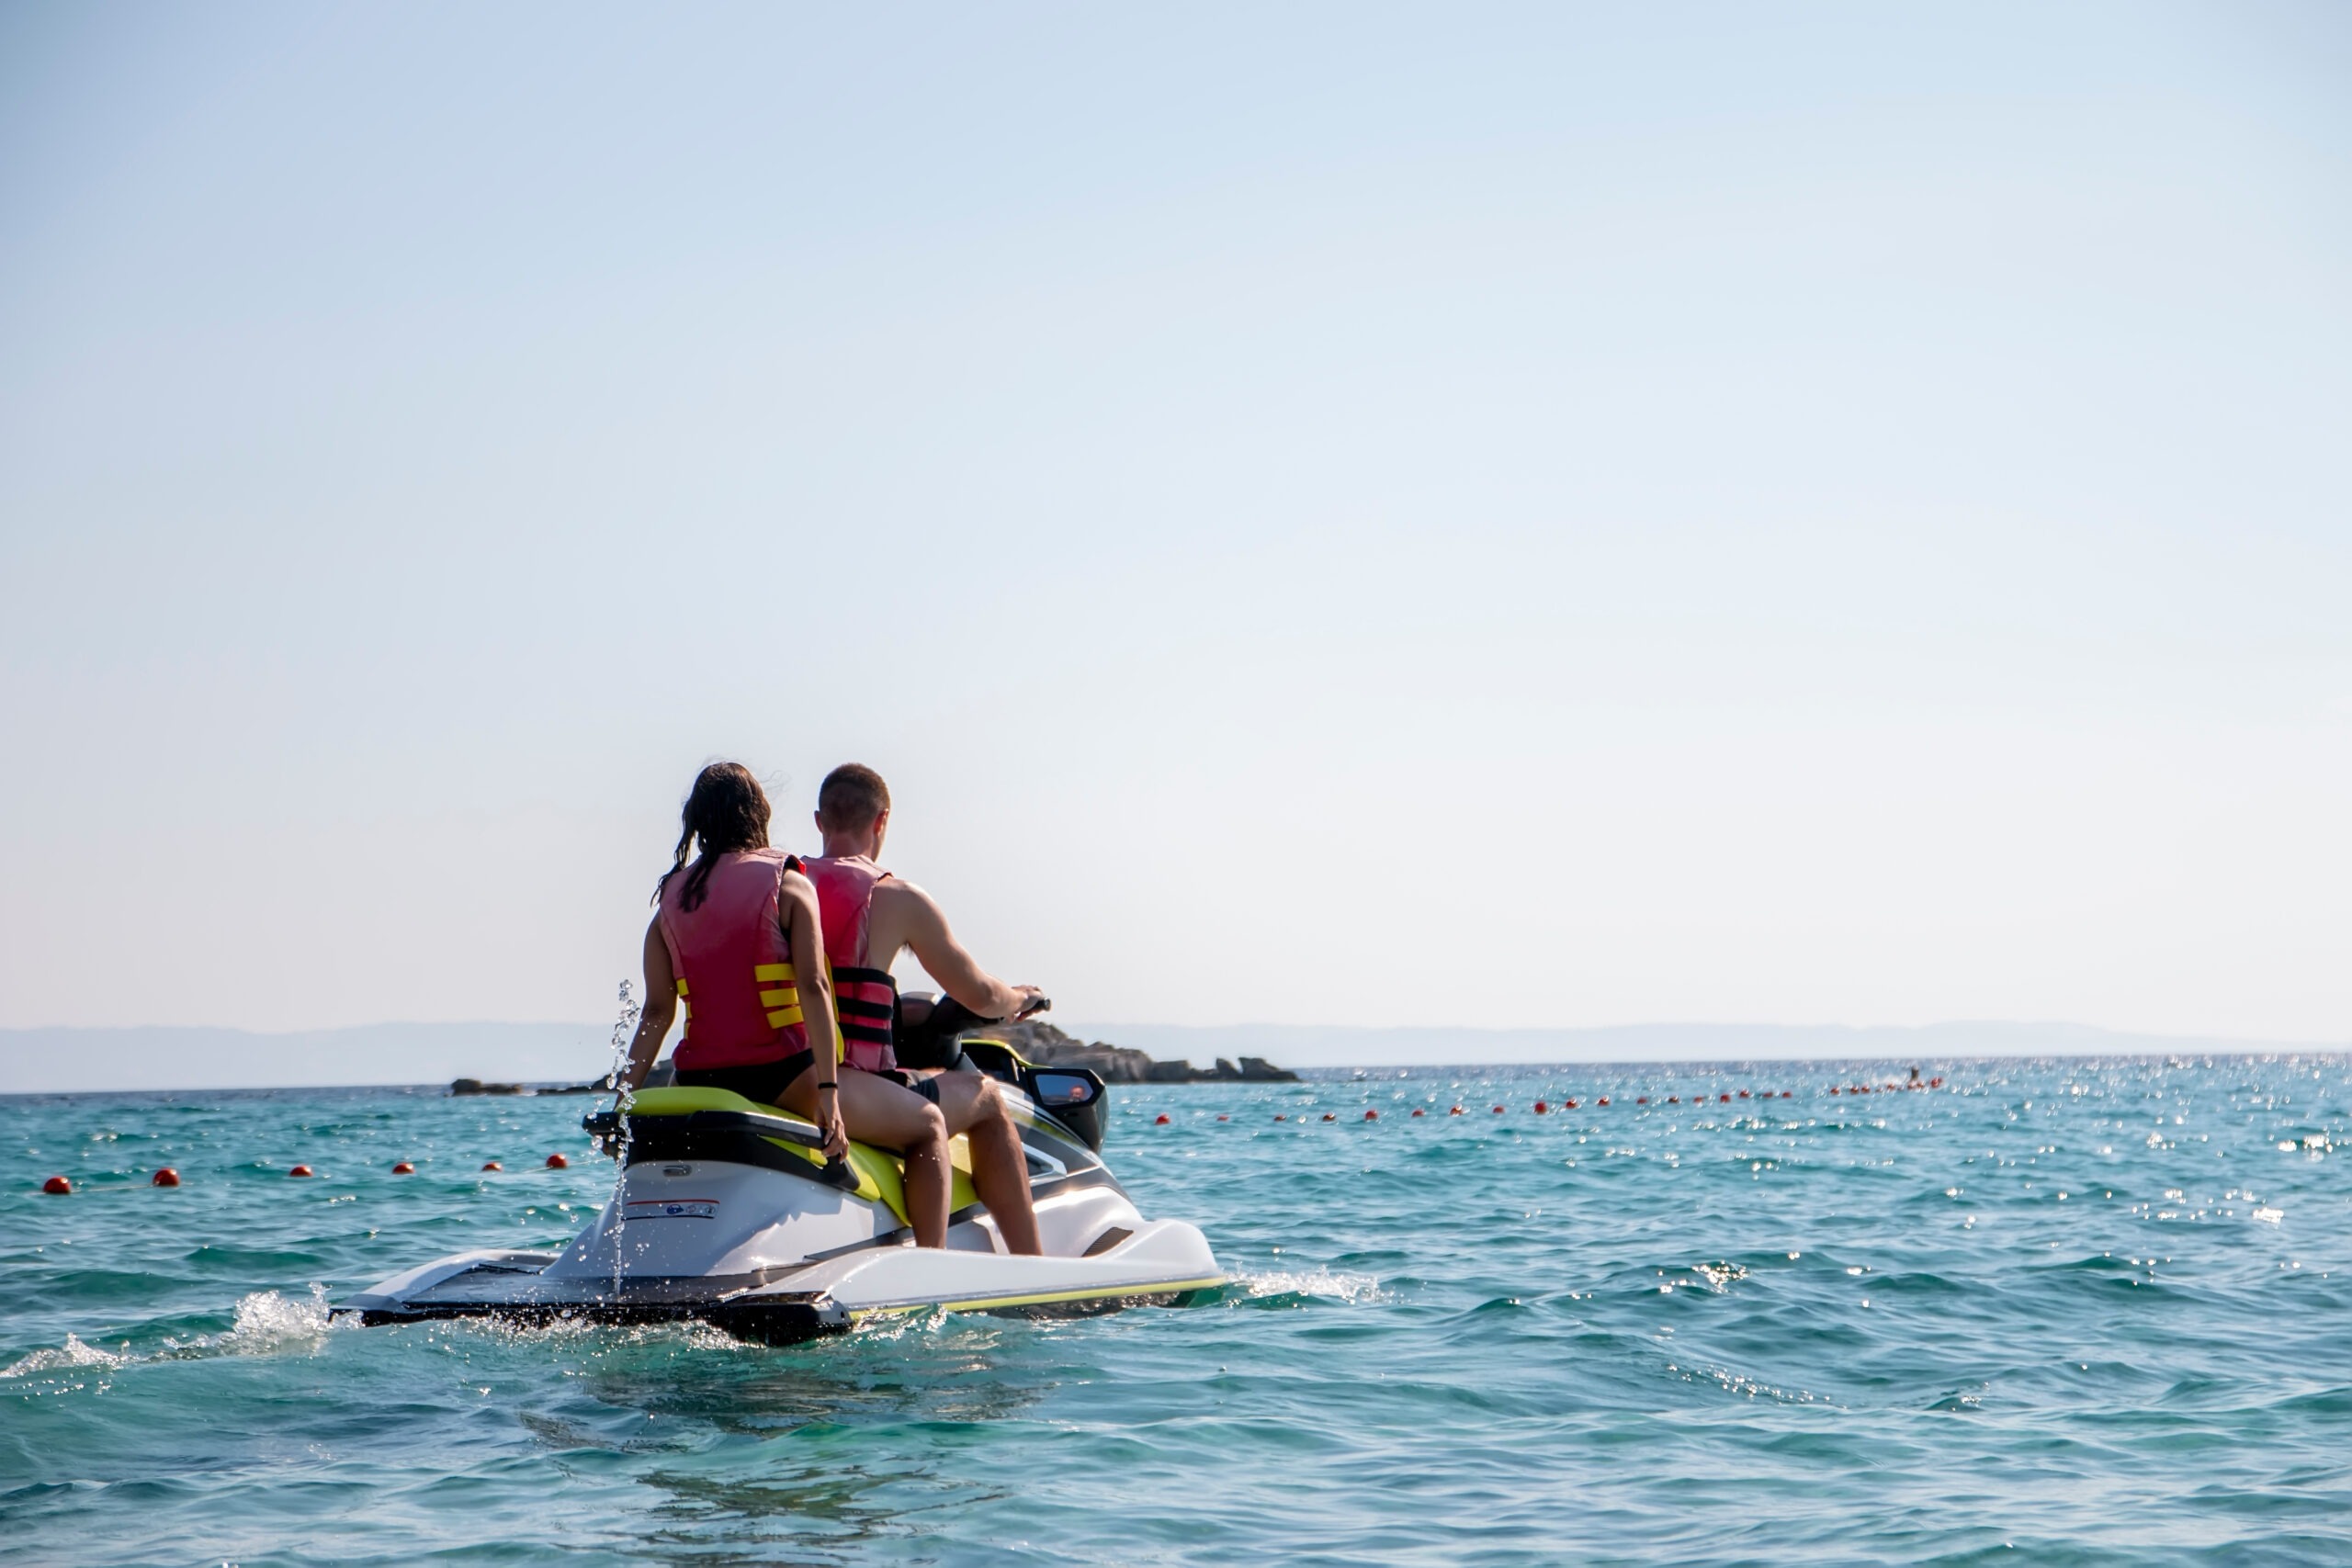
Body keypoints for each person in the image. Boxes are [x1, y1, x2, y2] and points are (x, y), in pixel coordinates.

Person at [616, 762, 983, 1252]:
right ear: (758, 813)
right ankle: (931, 1269)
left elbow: (656, 1013)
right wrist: (828, 1095)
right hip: (784, 1076)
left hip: (699, 1080)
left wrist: (622, 1101)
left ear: (697, 821)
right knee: (929, 1125)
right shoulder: (787, 883)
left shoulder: (671, 903)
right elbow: (813, 987)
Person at [802, 762, 1044, 1256]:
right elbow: (978, 993)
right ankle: (1031, 1266)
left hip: (790, 1075)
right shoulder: (895, 896)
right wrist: (1019, 999)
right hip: (852, 1085)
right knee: (986, 1096)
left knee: (920, 1080)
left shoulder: (785, 885)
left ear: (819, 821)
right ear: (882, 821)